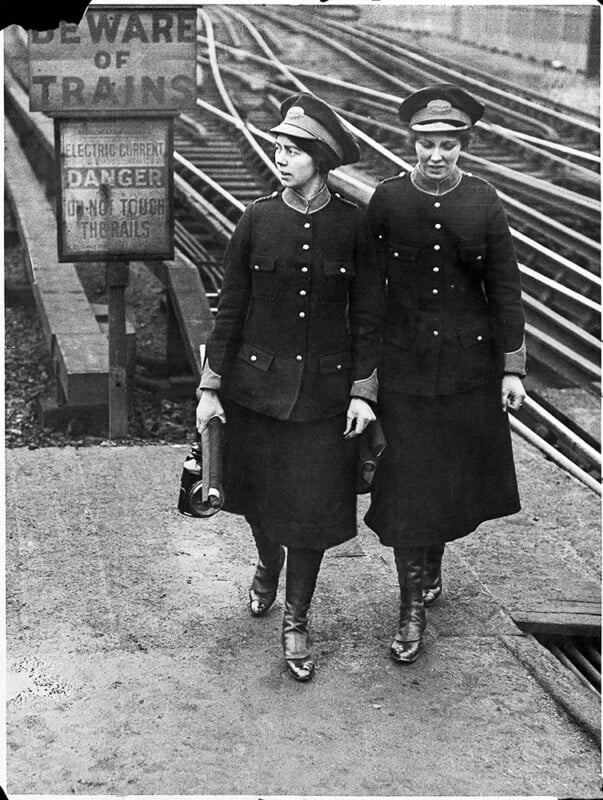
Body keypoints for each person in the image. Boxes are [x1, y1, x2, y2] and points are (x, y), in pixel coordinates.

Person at [195, 92, 385, 681]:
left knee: (310, 511)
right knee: (257, 499)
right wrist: (211, 387)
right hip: (257, 391)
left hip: (326, 399)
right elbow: (231, 309)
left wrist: (363, 391)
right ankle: (264, 566)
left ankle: (296, 619)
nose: (280, 157)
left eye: (293, 150)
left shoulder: (353, 226)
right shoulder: (257, 219)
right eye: (278, 147)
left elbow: (369, 316)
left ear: (321, 159)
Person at [365, 84, 527, 664]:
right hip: (403, 369)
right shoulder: (387, 200)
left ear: (465, 146)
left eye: (448, 146)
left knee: (449, 477)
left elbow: (504, 289)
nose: (436, 155)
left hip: (465, 371)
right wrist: (366, 374)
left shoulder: (483, 202)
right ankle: (410, 610)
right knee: (407, 480)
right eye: (426, 144)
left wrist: (511, 368)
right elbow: (368, 288)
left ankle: (431, 559)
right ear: (412, 144)